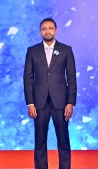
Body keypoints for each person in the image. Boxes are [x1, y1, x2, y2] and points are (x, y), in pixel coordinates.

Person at [23, 17, 77, 169]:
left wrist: (70, 102)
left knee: (64, 142)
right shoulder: (32, 51)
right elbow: (27, 78)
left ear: (56, 30)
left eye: (50, 28)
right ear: (40, 31)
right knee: (40, 143)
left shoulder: (66, 50)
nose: (47, 31)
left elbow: (71, 77)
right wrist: (30, 103)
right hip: (39, 104)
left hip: (61, 103)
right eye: (44, 28)